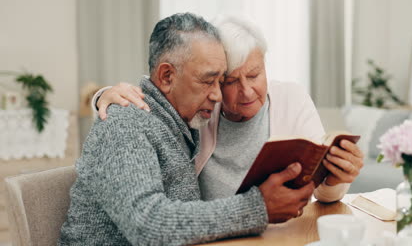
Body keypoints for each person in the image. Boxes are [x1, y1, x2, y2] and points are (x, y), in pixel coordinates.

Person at [59, 13, 315, 246]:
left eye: (220, 81)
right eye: (208, 81)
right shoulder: (126, 125)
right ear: (167, 77)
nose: (217, 96)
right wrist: (257, 207)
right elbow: (148, 225)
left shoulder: (183, 121)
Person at [93, 15, 364, 203]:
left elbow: (322, 194)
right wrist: (104, 95)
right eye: (230, 81)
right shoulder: (203, 106)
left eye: (255, 74)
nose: (246, 91)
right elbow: (159, 95)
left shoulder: (291, 98)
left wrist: (336, 180)